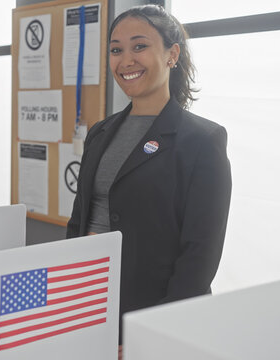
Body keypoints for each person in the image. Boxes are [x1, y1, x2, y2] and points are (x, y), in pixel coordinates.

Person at [66, 4, 232, 346]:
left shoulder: (202, 141)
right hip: (90, 306)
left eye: (139, 46)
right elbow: (79, 221)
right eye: (116, 50)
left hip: (155, 315)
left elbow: (199, 256)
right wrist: (69, 298)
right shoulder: (100, 132)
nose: (126, 60)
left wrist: (155, 333)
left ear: (173, 54)